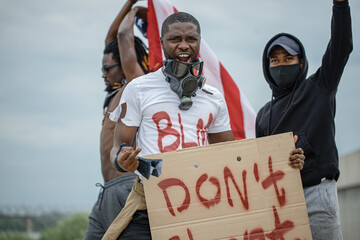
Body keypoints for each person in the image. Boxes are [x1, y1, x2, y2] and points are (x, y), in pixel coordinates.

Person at [105, 11, 305, 239]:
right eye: (174, 39)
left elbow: (232, 154)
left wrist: (282, 159)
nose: (183, 46)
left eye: (191, 39)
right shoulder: (139, 89)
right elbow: (118, 147)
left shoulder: (213, 97)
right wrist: (122, 159)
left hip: (199, 205)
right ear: (161, 42)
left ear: (199, 42)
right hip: (149, 205)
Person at [255, 0, 352, 239]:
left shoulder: (320, 87)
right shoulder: (263, 115)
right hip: (281, 199)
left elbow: (341, 45)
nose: (281, 64)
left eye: (288, 58)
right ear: (267, 68)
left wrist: (340, 5)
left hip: (318, 195)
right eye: (274, 60)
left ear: (301, 63)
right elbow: (262, 165)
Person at [84, 1, 150, 239]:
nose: (103, 74)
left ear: (123, 64)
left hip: (126, 188)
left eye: (107, 69)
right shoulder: (115, 93)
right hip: (106, 193)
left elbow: (122, 36)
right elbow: (111, 40)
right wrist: (130, 2)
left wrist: (133, 14)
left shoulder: (136, 84)